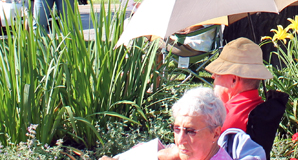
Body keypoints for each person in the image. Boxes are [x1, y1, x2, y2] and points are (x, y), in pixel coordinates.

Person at [100, 87, 264, 160]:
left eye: (190, 131)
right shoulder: (196, 153)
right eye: (177, 129)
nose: (180, 139)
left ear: (215, 133)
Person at [206, 38, 272, 133]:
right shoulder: (262, 110)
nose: (213, 76)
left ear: (234, 80)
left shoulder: (222, 119)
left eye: (218, 73)